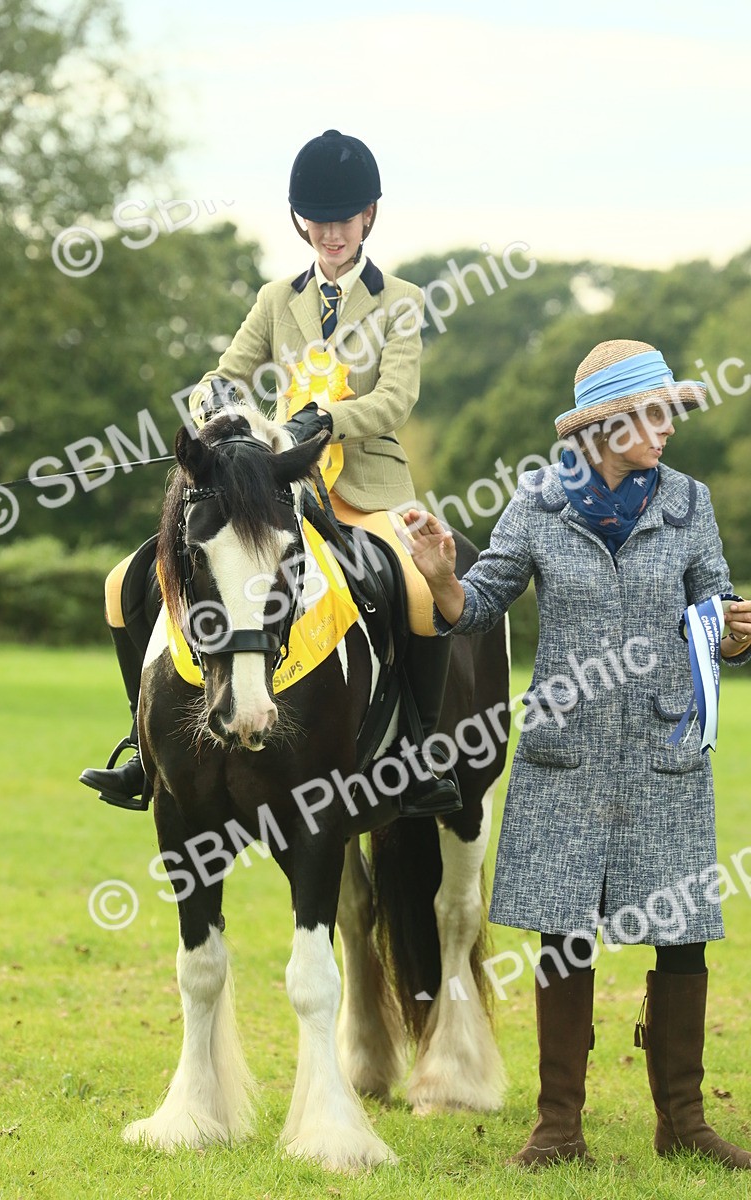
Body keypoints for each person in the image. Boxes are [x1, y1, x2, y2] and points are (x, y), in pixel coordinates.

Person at [400, 338, 751, 1168]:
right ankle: (559, 1126)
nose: (669, 429)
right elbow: (476, 610)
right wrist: (445, 576)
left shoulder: (690, 503)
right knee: (565, 933)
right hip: (567, 754)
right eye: (655, 415)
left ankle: (685, 1123)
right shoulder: (536, 505)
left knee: (681, 933)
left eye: (671, 413)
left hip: (665, 749)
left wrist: (736, 633)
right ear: (608, 426)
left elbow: (715, 603)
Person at [81, 129, 459, 817]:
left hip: (365, 489)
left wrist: (328, 420)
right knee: (122, 584)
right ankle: (144, 748)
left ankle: (419, 753)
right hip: (274, 493)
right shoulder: (275, 297)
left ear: (368, 217)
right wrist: (214, 406)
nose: (330, 233)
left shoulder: (400, 300)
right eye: (317, 219)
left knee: (414, 590)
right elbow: (219, 377)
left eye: (343, 219)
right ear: (300, 220)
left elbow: (396, 398)